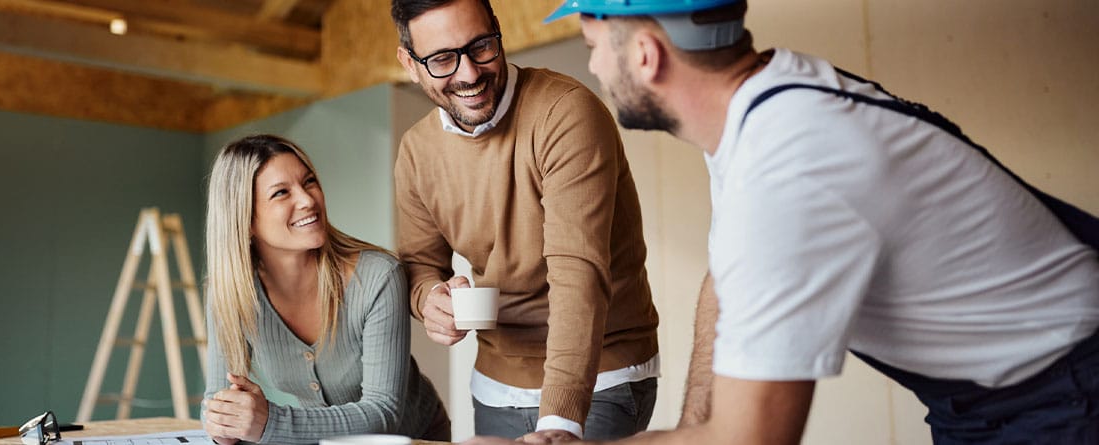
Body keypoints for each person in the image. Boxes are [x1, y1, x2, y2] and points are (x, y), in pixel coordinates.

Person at [465, 0, 1099, 444]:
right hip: (995, 394)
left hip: (1063, 391)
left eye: (594, 49)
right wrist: (691, 431)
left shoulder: (788, 165)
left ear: (648, 55)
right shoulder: (762, 105)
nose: (597, 70)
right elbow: (726, 281)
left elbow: (754, 437)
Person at [389, 0, 661, 441]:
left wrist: (559, 421)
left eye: (480, 46)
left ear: (497, 30)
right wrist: (428, 301)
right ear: (410, 62)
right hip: (497, 384)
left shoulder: (565, 112)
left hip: (600, 376)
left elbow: (578, 272)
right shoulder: (417, 151)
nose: (468, 74)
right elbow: (420, 263)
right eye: (441, 59)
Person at [201, 134, 450, 444]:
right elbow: (215, 398)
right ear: (244, 219)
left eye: (309, 182)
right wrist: (226, 425)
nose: (307, 200)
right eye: (281, 193)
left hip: (416, 438)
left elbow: (383, 413)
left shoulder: (378, 277)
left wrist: (269, 421)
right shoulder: (229, 292)